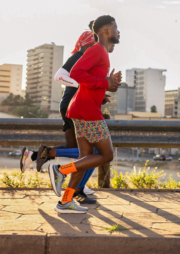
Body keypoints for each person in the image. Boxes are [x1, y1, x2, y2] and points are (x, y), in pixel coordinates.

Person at [20, 26, 105, 203]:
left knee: (76, 148)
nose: (93, 48)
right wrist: (85, 86)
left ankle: (37, 157)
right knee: (91, 152)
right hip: (73, 108)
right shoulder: (79, 56)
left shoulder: (87, 58)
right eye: (90, 45)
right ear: (83, 45)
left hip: (73, 106)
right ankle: (66, 177)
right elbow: (60, 76)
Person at [49, 15, 121, 214]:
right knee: (106, 155)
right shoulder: (97, 50)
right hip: (87, 111)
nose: (118, 31)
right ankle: (60, 170)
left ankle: (65, 202)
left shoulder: (102, 53)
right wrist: (105, 83)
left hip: (82, 109)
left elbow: (92, 80)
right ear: (105, 32)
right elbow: (77, 73)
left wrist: (109, 84)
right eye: (115, 28)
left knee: (84, 159)